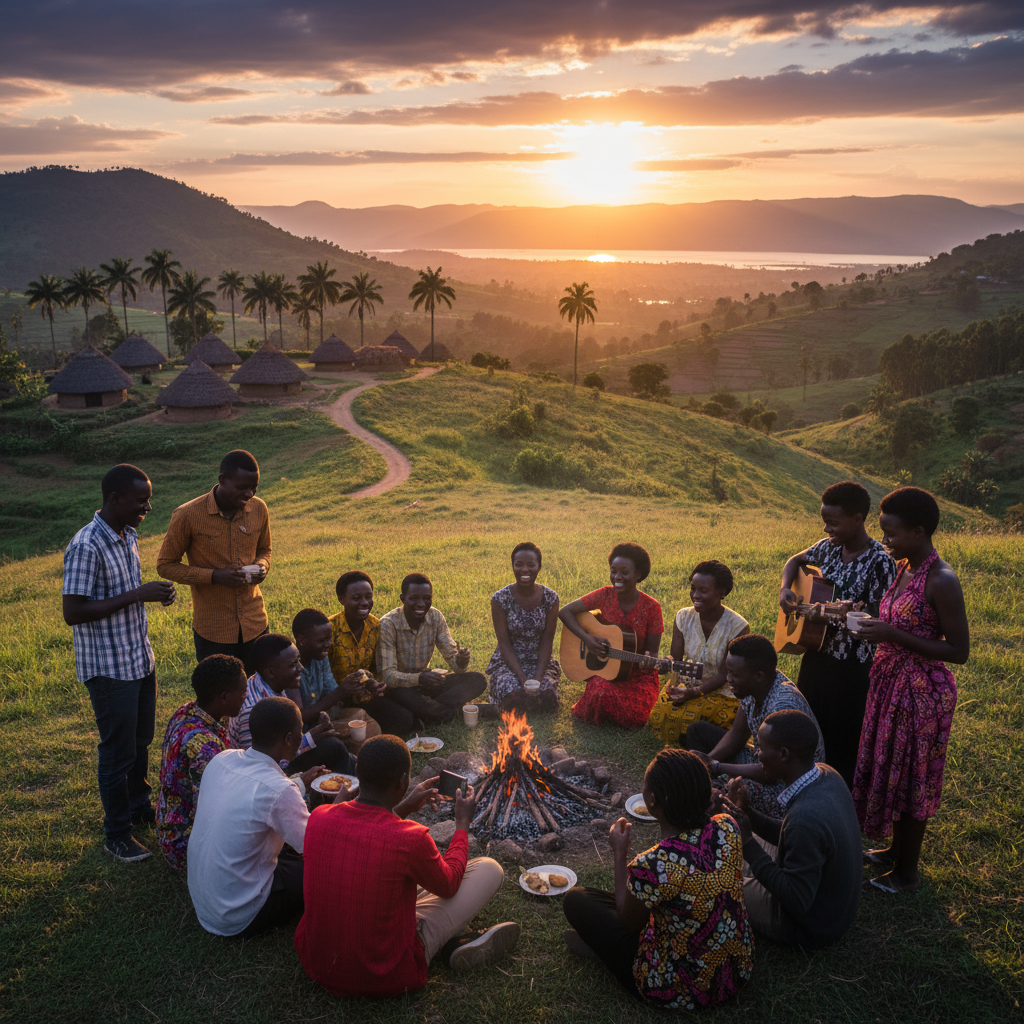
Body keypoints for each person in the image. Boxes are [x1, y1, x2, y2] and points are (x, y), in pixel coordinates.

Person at [295, 734, 520, 996]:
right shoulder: (410, 838)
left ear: (357, 771)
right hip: (386, 972)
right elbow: (448, 885)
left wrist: (402, 807)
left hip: (319, 963)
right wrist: (461, 826)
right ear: (403, 781)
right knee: (489, 869)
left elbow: (367, 833)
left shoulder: (319, 818)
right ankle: (451, 942)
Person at [562, 748, 753, 1011]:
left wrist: (620, 855)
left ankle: (603, 951)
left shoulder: (653, 865)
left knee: (576, 899)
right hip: (735, 971)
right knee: (648, 901)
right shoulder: (728, 826)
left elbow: (627, 922)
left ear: (651, 799)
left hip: (678, 990)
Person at [853, 487, 969, 894]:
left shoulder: (942, 579)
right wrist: (872, 624)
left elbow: (958, 651)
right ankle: (893, 851)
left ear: (919, 531)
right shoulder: (903, 567)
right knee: (894, 771)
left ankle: (908, 873)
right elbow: (898, 623)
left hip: (922, 693)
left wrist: (892, 634)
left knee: (913, 779)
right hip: (890, 683)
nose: (884, 542)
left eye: (891, 534)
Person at [62, 463, 177, 863]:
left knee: (140, 741)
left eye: (148, 499)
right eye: (140, 501)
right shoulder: (86, 545)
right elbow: (73, 612)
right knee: (117, 752)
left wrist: (154, 594)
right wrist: (137, 594)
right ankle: (117, 834)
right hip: (109, 668)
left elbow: (127, 593)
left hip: (138, 658)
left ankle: (138, 806)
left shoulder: (128, 535)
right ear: (115, 499)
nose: (147, 508)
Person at [188, 696, 337, 937]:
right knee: (320, 867)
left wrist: (301, 782)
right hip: (240, 915)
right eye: (301, 731)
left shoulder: (222, 759)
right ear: (289, 739)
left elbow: (259, 793)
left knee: (289, 855)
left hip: (208, 901)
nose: (302, 736)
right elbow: (320, 847)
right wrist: (339, 803)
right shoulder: (279, 790)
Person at [779, 480, 896, 787]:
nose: (828, 528)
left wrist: (846, 613)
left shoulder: (880, 560)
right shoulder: (828, 547)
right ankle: (804, 786)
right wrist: (784, 590)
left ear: (858, 519)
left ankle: (837, 799)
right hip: (816, 654)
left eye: (833, 522)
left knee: (843, 737)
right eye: (824, 522)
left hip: (852, 666)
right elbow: (794, 561)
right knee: (809, 727)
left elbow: (881, 613)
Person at [717, 710, 862, 947]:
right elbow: (790, 835)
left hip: (809, 924)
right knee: (728, 845)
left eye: (761, 747)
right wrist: (748, 816)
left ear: (784, 754)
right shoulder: (826, 774)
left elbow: (795, 899)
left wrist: (747, 843)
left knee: (719, 880)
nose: (756, 753)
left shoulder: (805, 819)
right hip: (830, 904)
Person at [685, 635, 825, 819]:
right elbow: (737, 734)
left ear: (758, 676)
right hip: (765, 759)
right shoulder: (753, 687)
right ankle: (706, 785)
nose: (728, 679)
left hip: (787, 787)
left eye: (734, 674)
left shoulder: (782, 706)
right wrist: (706, 763)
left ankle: (710, 798)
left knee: (733, 791)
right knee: (698, 731)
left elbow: (771, 773)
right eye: (728, 672)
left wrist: (717, 767)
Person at [157, 449, 270, 673]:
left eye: (254, 487)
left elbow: (265, 549)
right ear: (222, 480)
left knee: (260, 693)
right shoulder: (187, 515)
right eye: (242, 487)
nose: (249, 493)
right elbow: (165, 565)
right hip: (214, 630)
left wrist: (262, 566)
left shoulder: (259, 508)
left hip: (255, 623)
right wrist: (214, 576)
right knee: (222, 699)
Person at [559, 543, 665, 729]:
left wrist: (650, 661)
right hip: (607, 674)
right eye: (613, 571)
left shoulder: (652, 607)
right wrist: (588, 639)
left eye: (624, 572)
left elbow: (652, 653)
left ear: (638, 574)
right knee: (601, 693)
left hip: (638, 675)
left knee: (638, 716)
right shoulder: (604, 595)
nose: (617, 577)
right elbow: (565, 612)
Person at [156, 654, 247, 871]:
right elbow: (214, 811)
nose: (246, 695)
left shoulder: (187, 711)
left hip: (169, 824)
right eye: (243, 691)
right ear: (223, 697)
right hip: (187, 845)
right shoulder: (204, 749)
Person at [649, 559, 749, 744]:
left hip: (722, 690)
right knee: (661, 714)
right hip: (685, 684)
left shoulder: (737, 627)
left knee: (701, 718)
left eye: (703, 591)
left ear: (722, 593)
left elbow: (724, 674)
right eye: (693, 588)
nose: (695, 595)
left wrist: (696, 692)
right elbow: (676, 659)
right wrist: (665, 663)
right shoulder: (683, 617)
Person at [228, 633, 355, 776]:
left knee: (337, 749)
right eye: (293, 664)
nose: (300, 667)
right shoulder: (252, 710)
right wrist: (309, 739)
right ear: (270, 672)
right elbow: (259, 765)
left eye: (298, 660)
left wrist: (315, 729)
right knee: (333, 747)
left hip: (275, 760)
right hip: (264, 773)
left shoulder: (270, 683)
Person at [377, 573, 489, 724]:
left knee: (478, 680)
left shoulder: (435, 617)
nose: (421, 604)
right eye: (414, 598)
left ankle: (429, 712)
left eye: (426, 598)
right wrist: (419, 678)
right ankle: (447, 712)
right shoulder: (388, 624)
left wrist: (461, 661)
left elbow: (455, 664)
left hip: (426, 685)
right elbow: (388, 677)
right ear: (403, 599)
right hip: (401, 689)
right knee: (403, 696)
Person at [327, 570, 419, 736]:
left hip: (366, 696)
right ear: (342, 599)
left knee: (405, 718)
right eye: (356, 598)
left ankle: (371, 733)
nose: (365, 602)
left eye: (368, 597)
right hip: (337, 699)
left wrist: (374, 683)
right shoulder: (330, 628)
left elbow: (376, 668)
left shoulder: (375, 626)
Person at [289, 608, 381, 754]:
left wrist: (357, 685)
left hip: (324, 718)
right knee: (339, 739)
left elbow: (331, 691)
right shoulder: (290, 666)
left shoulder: (320, 657)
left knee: (367, 722)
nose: (328, 644)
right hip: (305, 732)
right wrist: (340, 692)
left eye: (329, 639)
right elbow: (301, 718)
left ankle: (364, 753)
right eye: (321, 640)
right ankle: (361, 757)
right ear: (302, 641)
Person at [486, 542, 561, 712]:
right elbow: (504, 644)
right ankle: (514, 698)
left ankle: (529, 700)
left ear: (539, 567)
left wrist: (537, 678)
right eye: (519, 564)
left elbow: (547, 641)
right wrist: (522, 678)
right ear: (512, 566)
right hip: (509, 662)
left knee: (548, 695)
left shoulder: (550, 598)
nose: (524, 570)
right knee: (513, 693)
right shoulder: (500, 599)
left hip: (539, 662)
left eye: (531, 565)